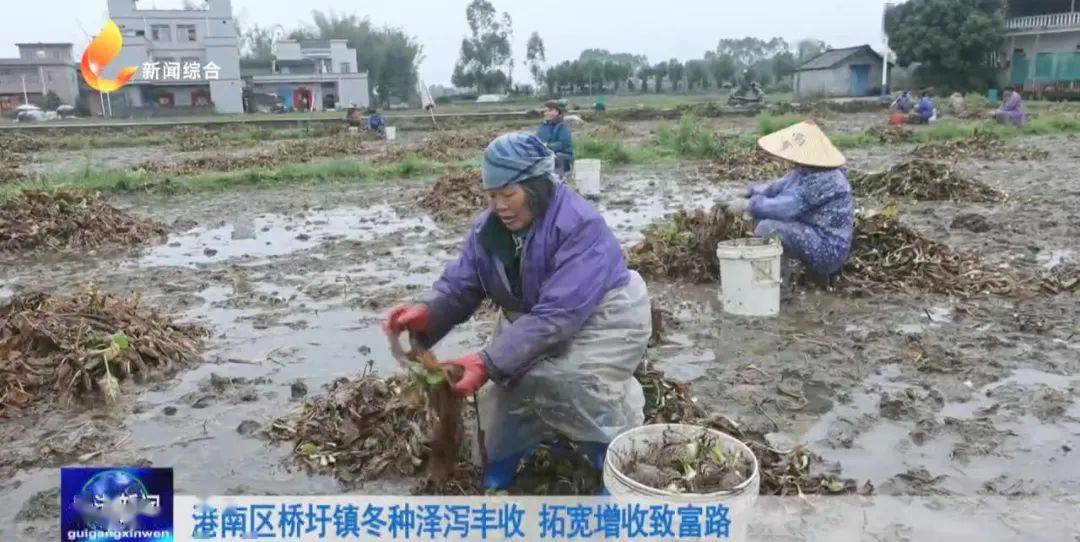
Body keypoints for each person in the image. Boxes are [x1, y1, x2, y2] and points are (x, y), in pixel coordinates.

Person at [383, 133, 651, 491]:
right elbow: (463, 285)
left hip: (603, 318)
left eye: (509, 194)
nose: (500, 206)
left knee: (576, 381)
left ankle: (609, 455)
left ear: (538, 186)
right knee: (507, 388)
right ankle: (509, 453)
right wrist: (428, 314)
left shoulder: (578, 224)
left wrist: (487, 362)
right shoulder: (487, 230)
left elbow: (558, 316)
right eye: (492, 196)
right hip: (536, 318)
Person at [723, 121, 854, 288]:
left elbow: (787, 208)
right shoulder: (805, 171)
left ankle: (779, 287)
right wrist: (750, 192)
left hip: (827, 248)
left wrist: (749, 205)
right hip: (812, 233)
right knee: (761, 220)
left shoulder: (827, 179)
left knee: (768, 228)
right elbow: (777, 187)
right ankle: (784, 275)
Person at [537, 100, 574, 175]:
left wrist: (547, 146)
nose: (547, 113)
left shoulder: (562, 126)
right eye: (545, 111)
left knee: (557, 157)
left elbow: (563, 144)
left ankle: (558, 179)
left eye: (550, 111)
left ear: (557, 112)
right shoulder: (542, 126)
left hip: (561, 156)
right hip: (545, 155)